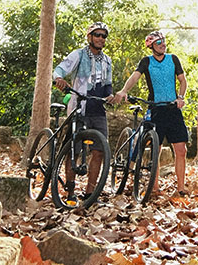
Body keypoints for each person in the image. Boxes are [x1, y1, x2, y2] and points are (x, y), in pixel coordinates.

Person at [114, 30, 188, 196]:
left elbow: (183, 80)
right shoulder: (146, 61)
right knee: (157, 149)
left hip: (173, 108)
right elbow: (135, 77)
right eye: (159, 43)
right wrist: (124, 90)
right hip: (156, 109)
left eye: (163, 41)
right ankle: (154, 188)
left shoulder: (173, 59)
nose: (163, 45)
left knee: (181, 150)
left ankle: (181, 188)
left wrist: (181, 97)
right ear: (151, 46)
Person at [53, 21, 114, 203]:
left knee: (99, 151)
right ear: (90, 37)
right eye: (97, 35)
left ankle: (90, 193)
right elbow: (59, 69)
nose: (101, 39)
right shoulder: (78, 55)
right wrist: (59, 80)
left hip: (98, 110)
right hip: (79, 108)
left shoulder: (107, 60)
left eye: (104, 36)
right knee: (75, 149)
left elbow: (108, 85)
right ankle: (70, 191)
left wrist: (110, 96)